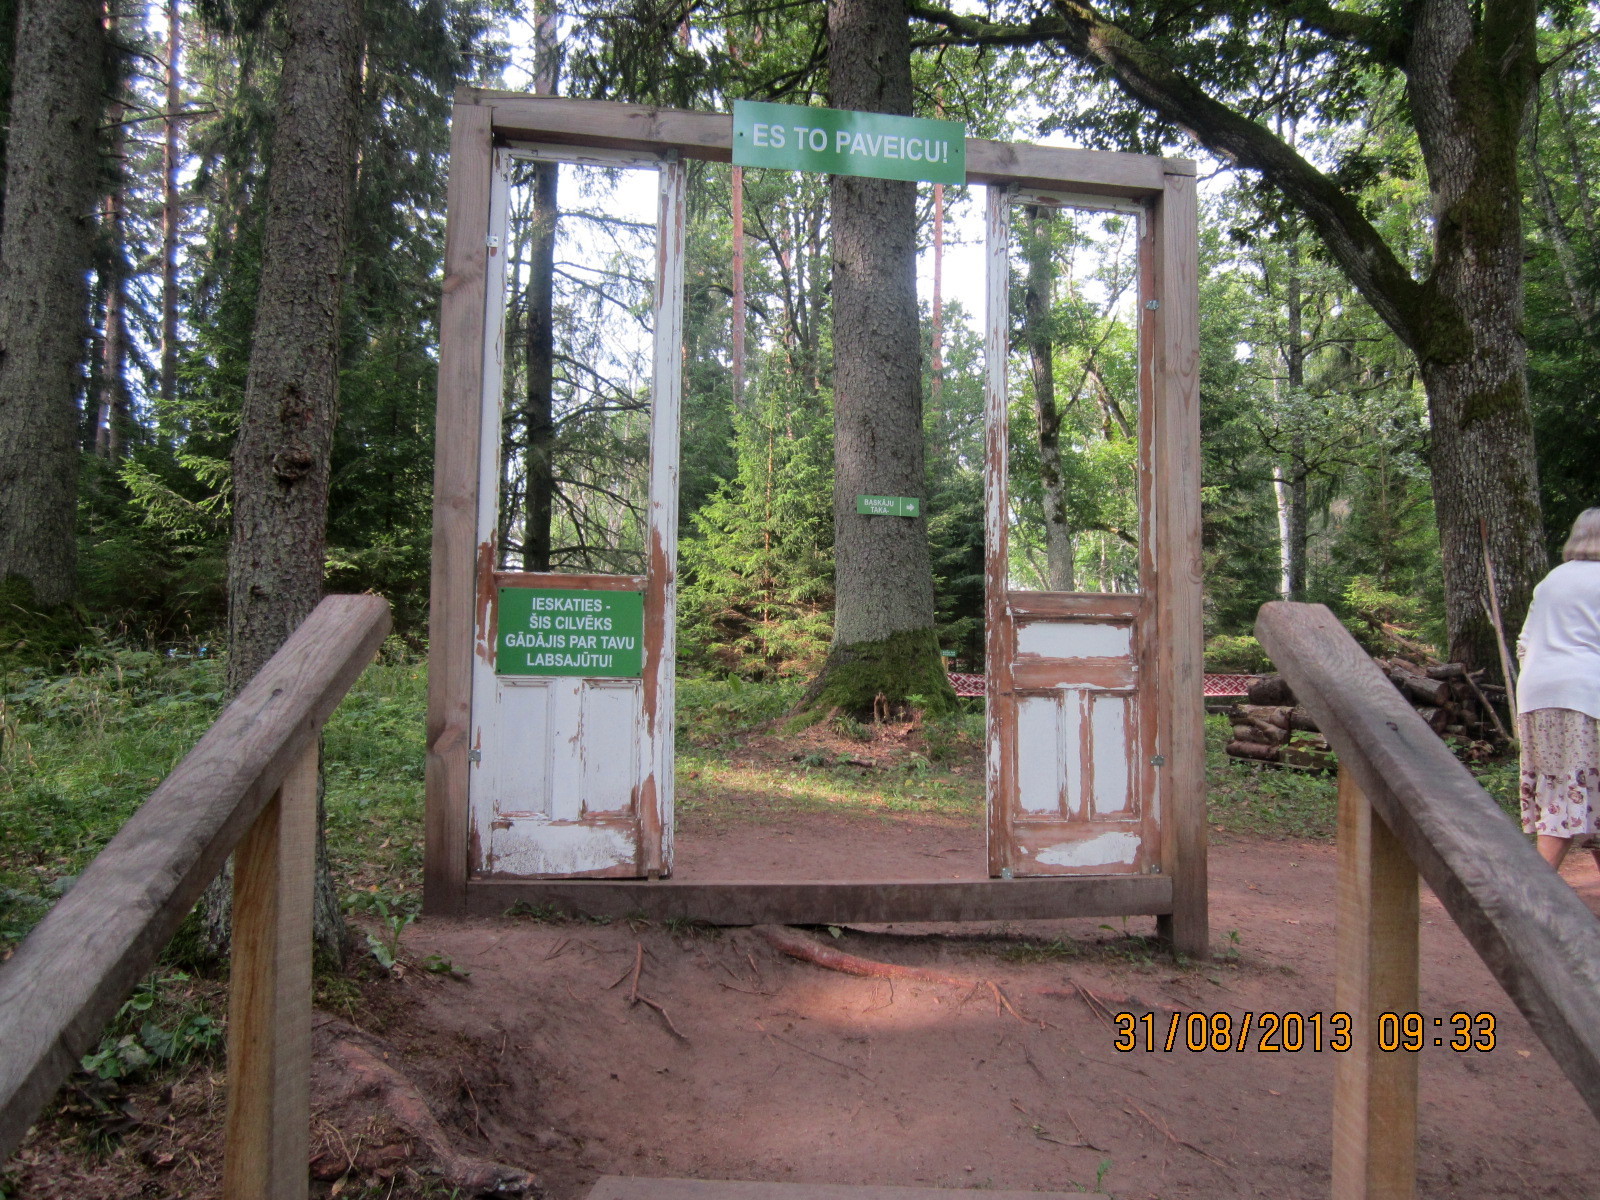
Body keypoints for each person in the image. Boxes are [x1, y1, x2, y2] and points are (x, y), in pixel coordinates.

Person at [1517, 507, 1600, 871]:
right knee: (1574, 795)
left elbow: (1524, 644)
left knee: (1558, 789)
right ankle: (1534, 895)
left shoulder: (1551, 581)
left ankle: (1536, 889)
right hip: (1586, 696)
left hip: (1537, 694)